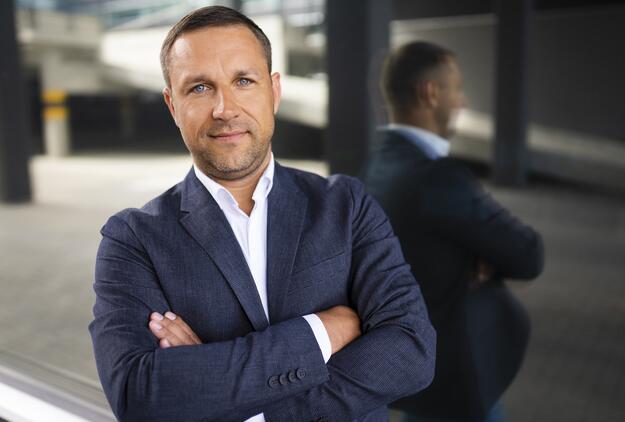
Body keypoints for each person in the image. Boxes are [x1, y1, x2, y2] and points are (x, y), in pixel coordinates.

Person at [89, 7, 436, 422]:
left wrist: (244, 407)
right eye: (199, 87)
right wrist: (320, 332)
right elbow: (138, 395)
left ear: (274, 90)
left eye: (243, 81)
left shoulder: (345, 205)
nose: (225, 108)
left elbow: (411, 350)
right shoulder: (133, 239)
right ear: (172, 105)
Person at [363, 42, 545, 421]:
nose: (462, 101)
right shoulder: (440, 178)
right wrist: (476, 260)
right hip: (456, 381)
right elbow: (529, 255)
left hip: (415, 374)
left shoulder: (374, 168)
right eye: (456, 88)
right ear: (430, 93)